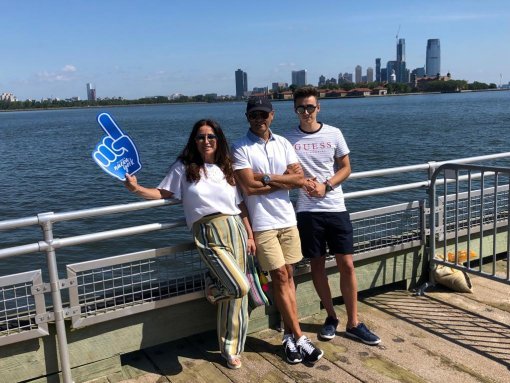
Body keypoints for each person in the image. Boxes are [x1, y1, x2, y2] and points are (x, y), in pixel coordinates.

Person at [124, 119, 256, 369]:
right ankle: (213, 290)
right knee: (239, 287)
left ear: (219, 140)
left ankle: (230, 349)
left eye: (211, 137)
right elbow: (163, 193)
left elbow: (240, 206)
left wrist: (250, 235)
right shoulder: (184, 167)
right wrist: (136, 188)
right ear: (193, 141)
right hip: (207, 231)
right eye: (200, 137)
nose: (206, 141)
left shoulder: (226, 168)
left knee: (237, 299)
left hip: (235, 229)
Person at [284, 86, 381, 345]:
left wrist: (325, 185)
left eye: (311, 107)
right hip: (306, 211)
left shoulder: (334, 133)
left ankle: (354, 322)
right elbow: (287, 174)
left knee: (346, 264)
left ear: (319, 108)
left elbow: (346, 167)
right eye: (301, 108)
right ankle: (330, 317)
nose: (306, 112)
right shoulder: (287, 139)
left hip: (336, 207)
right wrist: (303, 182)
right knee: (317, 265)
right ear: (295, 110)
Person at [231, 98, 324, 364]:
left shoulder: (283, 143)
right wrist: (282, 179)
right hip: (262, 224)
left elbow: (299, 178)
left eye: (263, 114)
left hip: (287, 219)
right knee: (280, 276)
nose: (258, 119)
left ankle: (287, 335)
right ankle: (300, 335)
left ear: (272, 115)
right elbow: (248, 187)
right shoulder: (240, 147)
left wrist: (268, 178)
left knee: (289, 275)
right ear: (247, 117)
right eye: (253, 115)